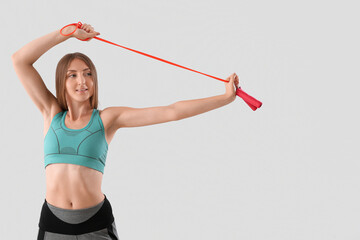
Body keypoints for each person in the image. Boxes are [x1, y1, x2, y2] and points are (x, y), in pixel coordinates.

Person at [11, 23, 240, 240]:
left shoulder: (107, 119)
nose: (82, 80)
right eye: (72, 74)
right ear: (62, 81)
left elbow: (171, 111)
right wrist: (67, 33)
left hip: (96, 224)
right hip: (53, 224)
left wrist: (225, 98)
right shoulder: (51, 113)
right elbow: (20, 60)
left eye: (88, 73)